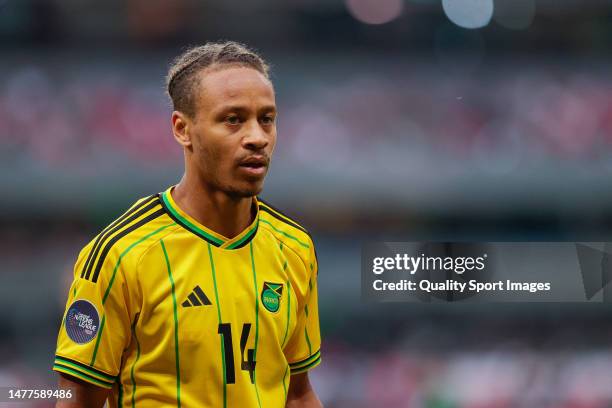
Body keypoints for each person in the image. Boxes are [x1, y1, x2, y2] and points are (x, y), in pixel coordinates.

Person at [52, 41, 322, 408]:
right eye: (233, 119)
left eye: (267, 119)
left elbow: (299, 394)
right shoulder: (121, 254)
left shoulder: (295, 247)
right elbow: (78, 402)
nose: (257, 137)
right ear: (182, 129)